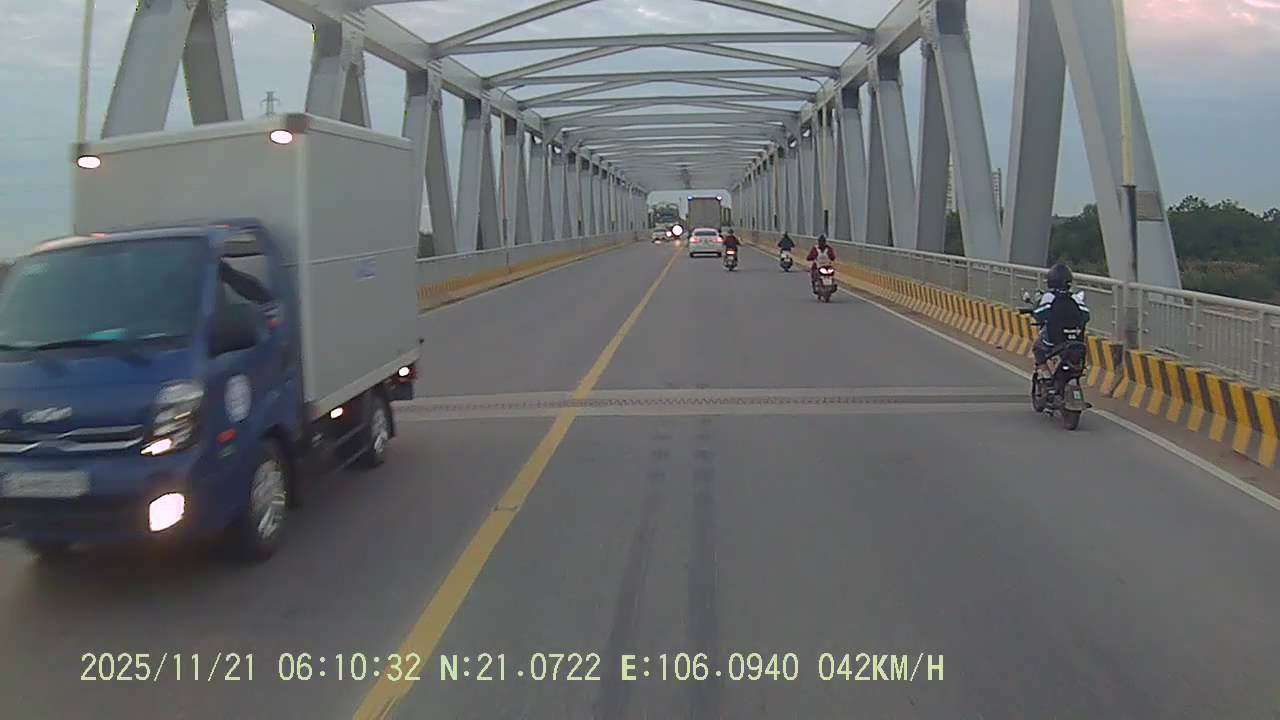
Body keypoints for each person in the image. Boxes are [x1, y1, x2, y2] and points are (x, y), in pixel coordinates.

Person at [1032, 262, 1091, 379]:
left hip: (1053, 342)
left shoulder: (1049, 296)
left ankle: (1046, 375)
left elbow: (1040, 313)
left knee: (1037, 348)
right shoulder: (1075, 297)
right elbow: (1086, 315)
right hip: (1075, 342)